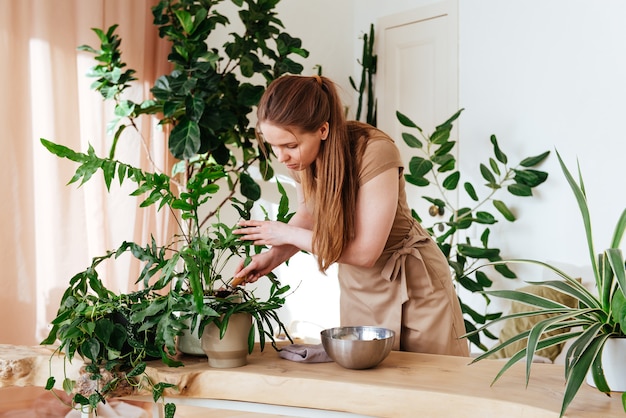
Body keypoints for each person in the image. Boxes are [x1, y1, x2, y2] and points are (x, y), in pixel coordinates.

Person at [233, 74, 469, 356]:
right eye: (274, 145)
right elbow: (309, 214)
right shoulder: (301, 160)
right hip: (360, 287)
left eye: (290, 146)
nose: (281, 157)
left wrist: (284, 232)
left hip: (415, 285)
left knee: (433, 385)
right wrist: (272, 256)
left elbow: (365, 253)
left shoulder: (374, 151)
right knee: (369, 392)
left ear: (322, 129)